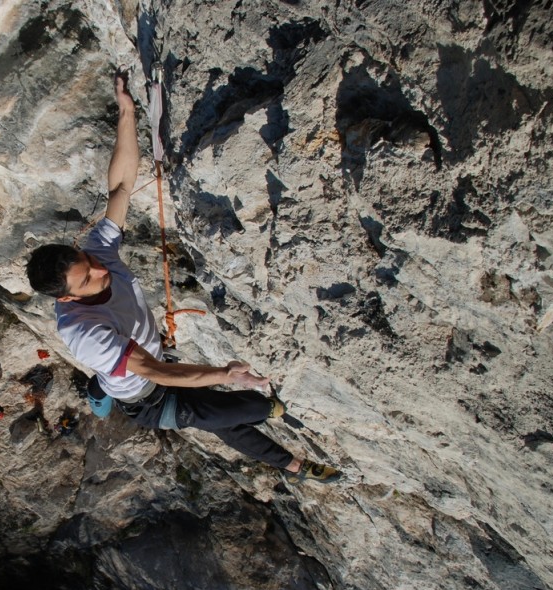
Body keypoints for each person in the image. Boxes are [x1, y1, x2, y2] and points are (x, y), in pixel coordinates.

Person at [26, 70, 340, 484]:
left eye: (90, 260)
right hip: (147, 398)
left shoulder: (95, 255)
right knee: (250, 408)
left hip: (156, 366)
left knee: (224, 423)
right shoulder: (84, 333)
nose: (102, 270)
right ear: (65, 299)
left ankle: (295, 467)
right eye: (88, 280)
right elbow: (157, 373)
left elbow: (120, 187)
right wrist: (226, 374)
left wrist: (126, 114)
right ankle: (285, 420)